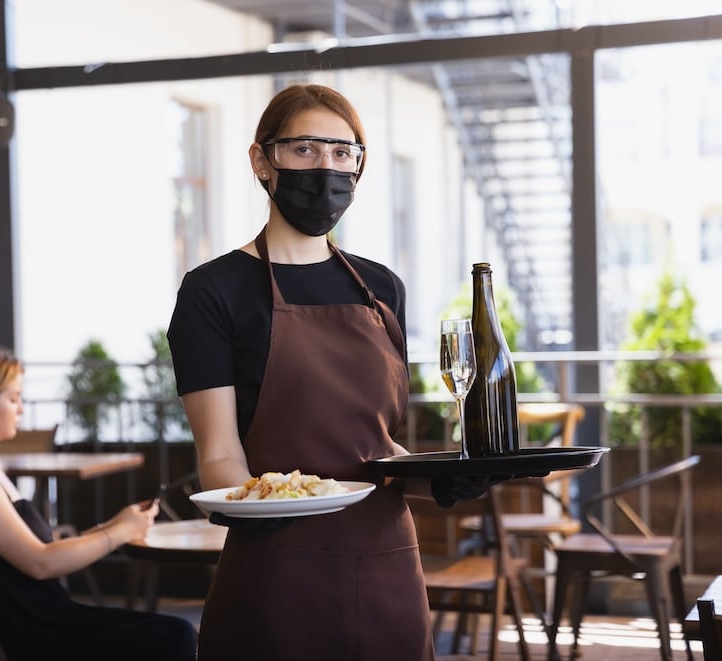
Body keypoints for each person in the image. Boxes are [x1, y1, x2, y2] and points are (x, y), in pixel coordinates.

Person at [167, 84, 493, 660]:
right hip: (275, 570)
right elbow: (218, 452)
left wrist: (437, 478)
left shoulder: (383, 287)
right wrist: (248, 510)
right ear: (261, 160)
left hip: (388, 563)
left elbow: (378, 446)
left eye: (344, 153)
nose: (326, 167)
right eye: (305, 150)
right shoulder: (213, 290)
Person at [0, 345, 197, 661]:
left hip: (51, 623)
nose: (21, 409)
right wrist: (116, 534)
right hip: (39, 637)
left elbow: (40, 551)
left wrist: (117, 525)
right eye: (12, 398)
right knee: (175, 636)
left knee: (176, 632)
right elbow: (41, 563)